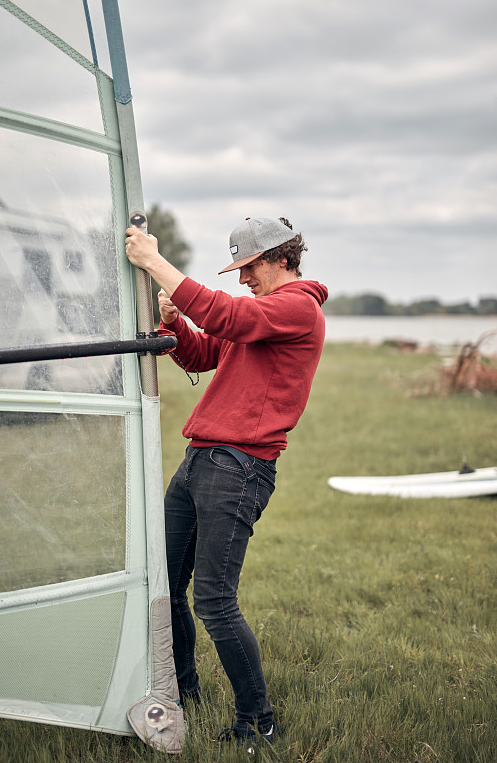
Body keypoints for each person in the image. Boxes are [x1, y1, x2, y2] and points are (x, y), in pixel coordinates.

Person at [125, 216, 328, 747]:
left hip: (238, 468)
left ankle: (257, 722)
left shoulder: (297, 307)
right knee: (164, 585)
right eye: (237, 270)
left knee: (214, 601)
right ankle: (185, 695)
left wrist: (155, 263)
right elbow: (203, 352)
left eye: (249, 267)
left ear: (282, 257)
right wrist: (175, 322)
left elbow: (226, 313)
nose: (243, 279)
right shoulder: (260, 318)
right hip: (200, 462)